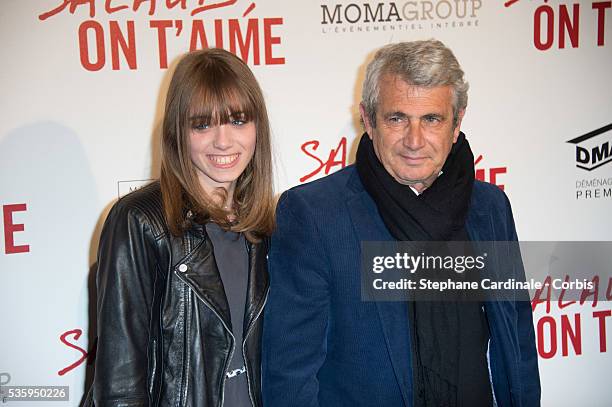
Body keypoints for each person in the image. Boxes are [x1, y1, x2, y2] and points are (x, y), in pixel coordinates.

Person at [262, 40, 540, 406]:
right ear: (369, 120)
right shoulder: (314, 214)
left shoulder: (490, 208)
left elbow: (516, 342)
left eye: (432, 119)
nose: (414, 140)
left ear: (456, 124)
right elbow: (289, 376)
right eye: (397, 118)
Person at [90, 48, 274, 407]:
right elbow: (120, 384)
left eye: (238, 120)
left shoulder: (265, 229)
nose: (223, 141)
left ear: (257, 127)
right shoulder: (140, 221)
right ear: (178, 131)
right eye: (202, 124)